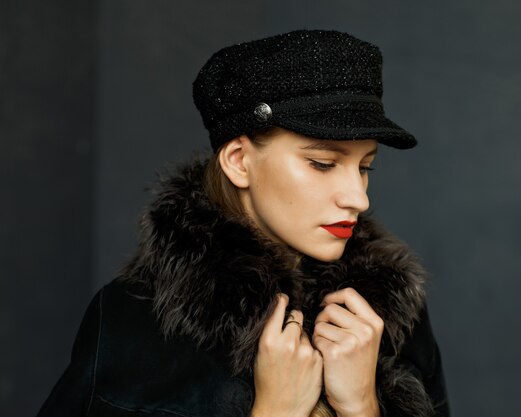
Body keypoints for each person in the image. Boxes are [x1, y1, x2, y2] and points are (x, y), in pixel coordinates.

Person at [37, 29, 449, 417]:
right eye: (323, 163)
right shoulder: (134, 318)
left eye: (365, 167)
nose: (359, 197)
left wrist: (362, 405)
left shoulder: (388, 316)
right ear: (238, 161)